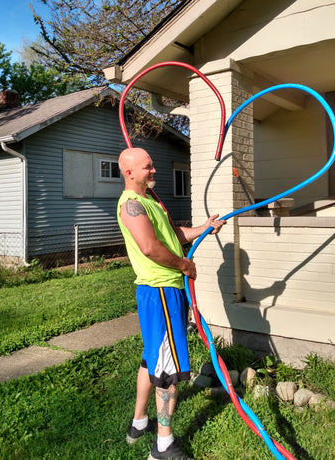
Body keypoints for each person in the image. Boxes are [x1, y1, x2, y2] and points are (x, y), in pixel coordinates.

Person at [117, 147, 225, 460]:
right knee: (169, 369)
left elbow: (172, 235)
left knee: (152, 357)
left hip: (160, 292)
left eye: (152, 166)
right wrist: (183, 266)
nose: (154, 172)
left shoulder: (149, 201)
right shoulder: (131, 205)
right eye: (148, 168)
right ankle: (163, 445)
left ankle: (138, 422)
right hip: (161, 291)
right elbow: (150, 248)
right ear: (130, 173)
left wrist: (205, 228)